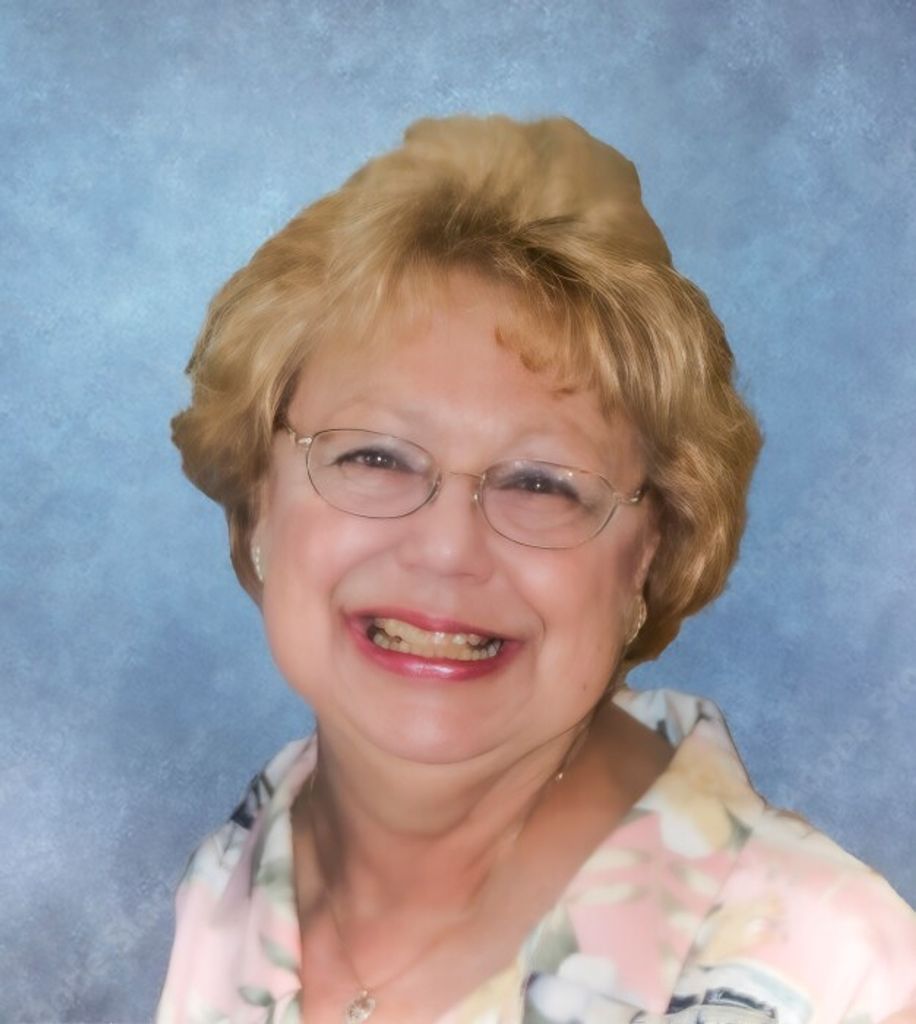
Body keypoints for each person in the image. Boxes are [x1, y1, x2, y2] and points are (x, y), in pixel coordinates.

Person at [156, 116, 915, 1024]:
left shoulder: (837, 974)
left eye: (542, 484)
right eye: (375, 457)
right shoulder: (237, 877)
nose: (446, 549)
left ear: (649, 556)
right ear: (258, 506)